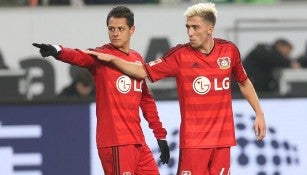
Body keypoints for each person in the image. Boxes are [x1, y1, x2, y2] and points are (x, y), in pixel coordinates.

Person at [85, 2, 266, 175]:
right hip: (194, 142)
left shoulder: (229, 50)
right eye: (188, 27)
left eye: (195, 27)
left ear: (210, 29)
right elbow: (142, 72)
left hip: (223, 140)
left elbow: (243, 81)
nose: (190, 32)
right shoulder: (179, 55)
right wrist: (113, 59)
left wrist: (259, 113)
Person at [32, 5, 169, 175]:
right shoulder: (101, 56)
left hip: (138, 142)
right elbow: (80, 56)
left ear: (132, 30)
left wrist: (159, 135)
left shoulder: (136, 59)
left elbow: (146, 99)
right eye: (111, 29)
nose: (115, 33)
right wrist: (58, 51)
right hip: (115, 141)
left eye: (120, 29)